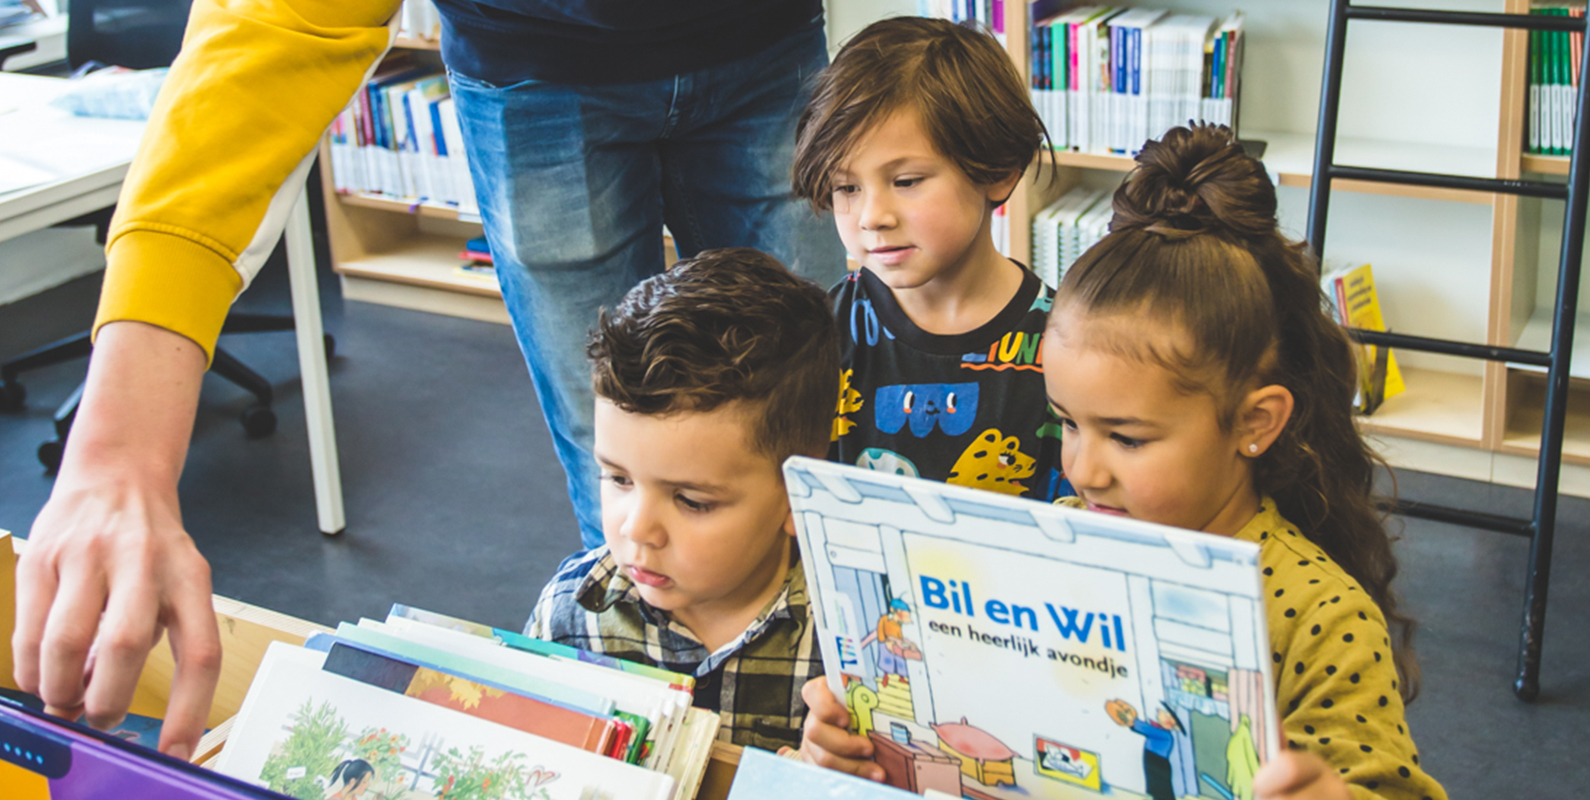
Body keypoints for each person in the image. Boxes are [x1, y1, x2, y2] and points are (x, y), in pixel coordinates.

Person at [13, 0, 843, 762]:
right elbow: (272, 29)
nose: (642, 531)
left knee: (816, 421)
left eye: (690, 505)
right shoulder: (573, 601)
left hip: (763, 40)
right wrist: (119, 448)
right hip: (532, 65)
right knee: (623, 451)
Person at [799, 124, 1449, 800]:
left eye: (1129, 438)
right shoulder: (1054, 541)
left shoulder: (1324, 618)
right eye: (1068, 425)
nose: (1086, 471)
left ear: (1256, 423)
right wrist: (864, 746)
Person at [525, 248, 836, 752]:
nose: (637, 530)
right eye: (618, 478)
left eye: (691, 501)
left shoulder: (857, 645)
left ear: (799, 495)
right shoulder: (568, 616)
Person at [791, 17, 1065, 501]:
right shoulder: (819, 334)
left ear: (998, 171)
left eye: (906, 181)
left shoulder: (1065, 340)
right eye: (847, 188)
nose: (872, 217)